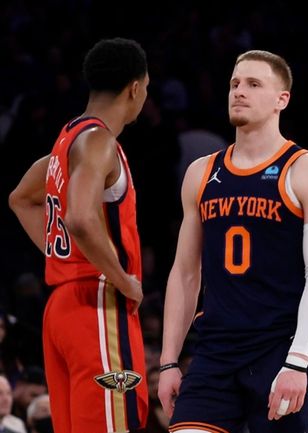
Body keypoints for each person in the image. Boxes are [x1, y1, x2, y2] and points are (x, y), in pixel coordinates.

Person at [157, 49, 308, 433]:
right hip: (215, 350)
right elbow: (186, 273)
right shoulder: (200, 173)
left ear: (281, 100)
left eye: (254, 84)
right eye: (235, 84)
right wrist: (170, 360)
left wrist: (297, 361)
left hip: (279, 347)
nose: (239, 91)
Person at [8, 37, 149, 433]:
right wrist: (125, 281)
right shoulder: (99, 141)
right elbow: (82, 220)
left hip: (61, 308)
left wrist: (63, 257)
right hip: (97, 303)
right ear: (135, 89)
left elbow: (20, 199)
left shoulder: (65, 141)